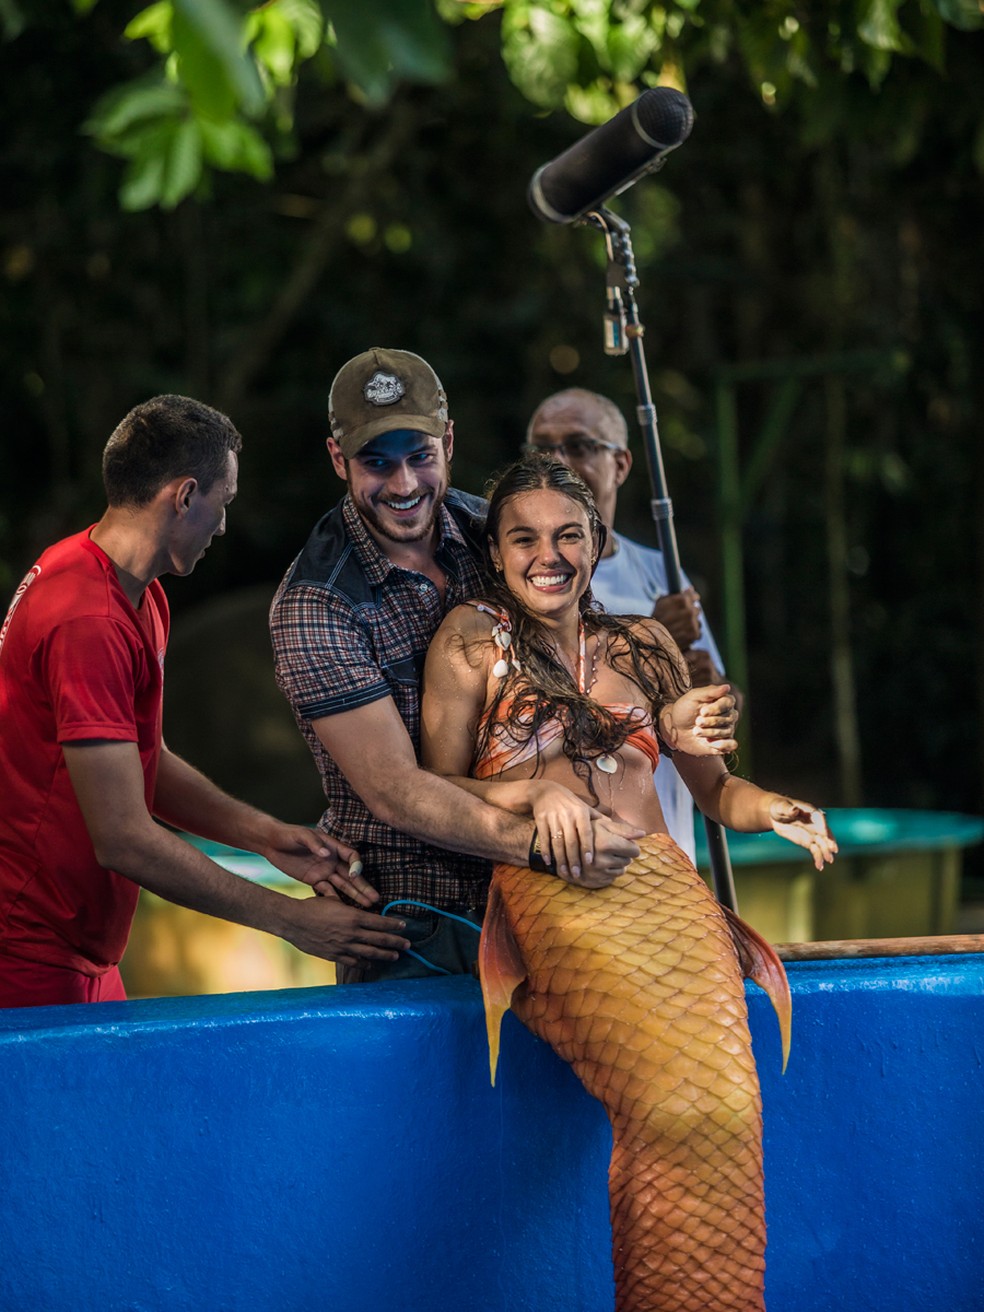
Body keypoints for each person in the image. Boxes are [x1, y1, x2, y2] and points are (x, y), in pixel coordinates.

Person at [270, 349, 716, 983]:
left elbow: (585, 637)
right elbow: (397, 791)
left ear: (449, 443)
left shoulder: (495, 526)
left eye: (420, 456)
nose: (404, 485)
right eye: (376, 462)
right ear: (339, 459)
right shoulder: (317, 603)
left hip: (562, 906)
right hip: (417, 919)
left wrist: (669, 679)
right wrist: (549, 841)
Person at [0, 394, 409, 1009]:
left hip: (82, 949)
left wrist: (263, 836)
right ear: (186, 496)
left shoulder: (136, 592)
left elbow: (145, 762)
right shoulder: (87, 618)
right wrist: (289, 919)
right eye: (224, 502)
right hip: (28, 951)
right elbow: (123, 837)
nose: (222, 526)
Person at [421, 453, 836, 880]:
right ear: (495, 551)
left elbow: (715, 790)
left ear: (595, 544)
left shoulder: (643, 643)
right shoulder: (473, 636)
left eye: (569, 536)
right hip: (548, 901)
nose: (548, 556)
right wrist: (532, 794)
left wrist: (773, 808)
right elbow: (434, 792)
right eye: (524, 539)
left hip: (665, 892)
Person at [525, 387, 731, 862]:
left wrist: (707, 691)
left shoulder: (662, 571)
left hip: (666, 847)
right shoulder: (528, 578)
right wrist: (651, 643)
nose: (556, 461)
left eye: (578, 446)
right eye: (541, 448)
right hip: (572, 851)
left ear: (620, 464)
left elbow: (723, 704)